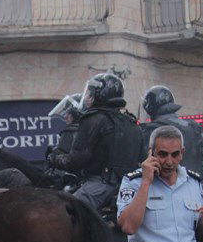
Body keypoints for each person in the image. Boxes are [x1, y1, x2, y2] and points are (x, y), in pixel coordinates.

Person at [49, 73, 143, 210]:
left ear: (99, 95)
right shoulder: (132, 122)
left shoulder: (93, 119)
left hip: (100, 186)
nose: (87, 97)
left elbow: (75, 161)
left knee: (63, 213)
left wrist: (54, 158)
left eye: (90, 93)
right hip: (130, 186)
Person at [140, 86, 203, 195]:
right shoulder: (194, 127)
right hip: (199, 188)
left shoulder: (148, 130)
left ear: (150, 107)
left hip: (164, 189)